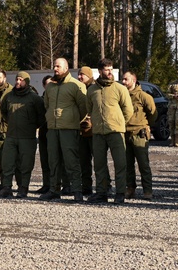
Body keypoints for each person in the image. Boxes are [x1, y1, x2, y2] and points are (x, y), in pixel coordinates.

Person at [86, 59, 133, 203]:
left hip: (115, 131)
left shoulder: (120, 89)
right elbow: (90, 109)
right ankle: (101, 192)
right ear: (100, 71)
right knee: (99, 164)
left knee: (120, 163)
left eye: (111, 69)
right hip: (99, 132)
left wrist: (119, 123)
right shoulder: (92, 90)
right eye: (106, 70)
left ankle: (120, 193)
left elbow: (128, 110)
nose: (110, 72)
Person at [43, 58, 89, 201]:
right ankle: (54, 190)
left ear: (66, 68)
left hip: (69, 129)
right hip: (52, 129)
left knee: (71, 161)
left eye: (58, 66)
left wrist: (73, 119)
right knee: (53, 161)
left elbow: (84, 108)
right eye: (54, 66)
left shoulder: (76, 86)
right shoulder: (50, 87)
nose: (55, 69)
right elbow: (47, 105)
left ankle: (77, 190)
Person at [0, 72, 46, 198]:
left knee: (25, 165)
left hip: (27, 137)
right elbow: (3, 112)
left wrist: (31, 126)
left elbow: (42, 116)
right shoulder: (9, 96)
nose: (18, 82)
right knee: (7, 163)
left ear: (27, 82)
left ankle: (23, 188)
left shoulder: (34, 98)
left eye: (21, 80)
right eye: (17, 79)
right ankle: (6, 187)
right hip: (11, 135)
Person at [122, 70, 157, 200]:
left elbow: (153, 113)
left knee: (143, 164)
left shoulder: (143, 96)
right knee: (127, 164)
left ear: (134, 80)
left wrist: (145, 125)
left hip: (139, 134)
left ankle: (147, 190)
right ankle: (130, 188)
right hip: (125, 133)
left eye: (126, 79)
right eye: (123, 79)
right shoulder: (122, 95)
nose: (123, 82)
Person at [76, 66, 96, 196]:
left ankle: (104, 186)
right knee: (84, 161)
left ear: (88, 76)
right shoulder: (79, 89)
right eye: (78, 75)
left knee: (99, 162)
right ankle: (86, 186)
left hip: (95, 132)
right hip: (82, 132)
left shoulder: (94, 89)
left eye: (82, 75)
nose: (79, 77)